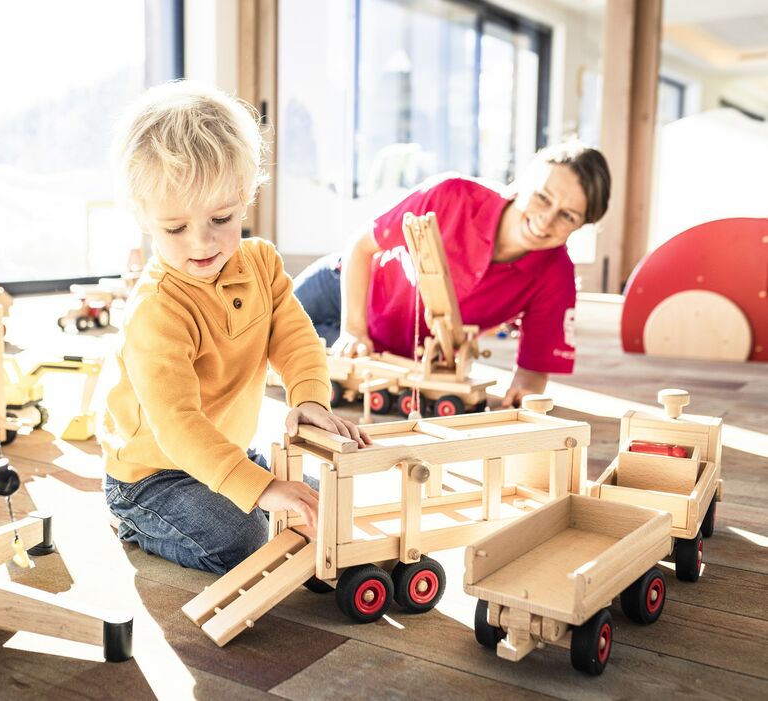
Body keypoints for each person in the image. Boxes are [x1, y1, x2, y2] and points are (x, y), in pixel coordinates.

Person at [100, 81, 369, 575]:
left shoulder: (261, 262)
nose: (202, 243)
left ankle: (248, 494)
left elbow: (293, 335)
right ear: (143, 218)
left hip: (220, 447)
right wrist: (261, 489)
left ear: (244, 198)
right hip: (152, 474)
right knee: (245, 535)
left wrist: (308, 398)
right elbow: (178, 426)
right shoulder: (157, 310)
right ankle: (134, 521)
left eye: (220, 218)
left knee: (321, 498)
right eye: (176, 228)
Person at [294, 141, 611, 408]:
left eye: (567, 216)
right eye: (542, 197)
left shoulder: (556, 275)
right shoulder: (451, 194)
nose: (546, 220)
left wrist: (522, 400)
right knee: (257, 329)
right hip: (342, 290)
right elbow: (361, 246)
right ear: (522, 183)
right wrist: (353, 329)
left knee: (296, 361)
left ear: (581, 226)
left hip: (388, 353)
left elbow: (532, 375)